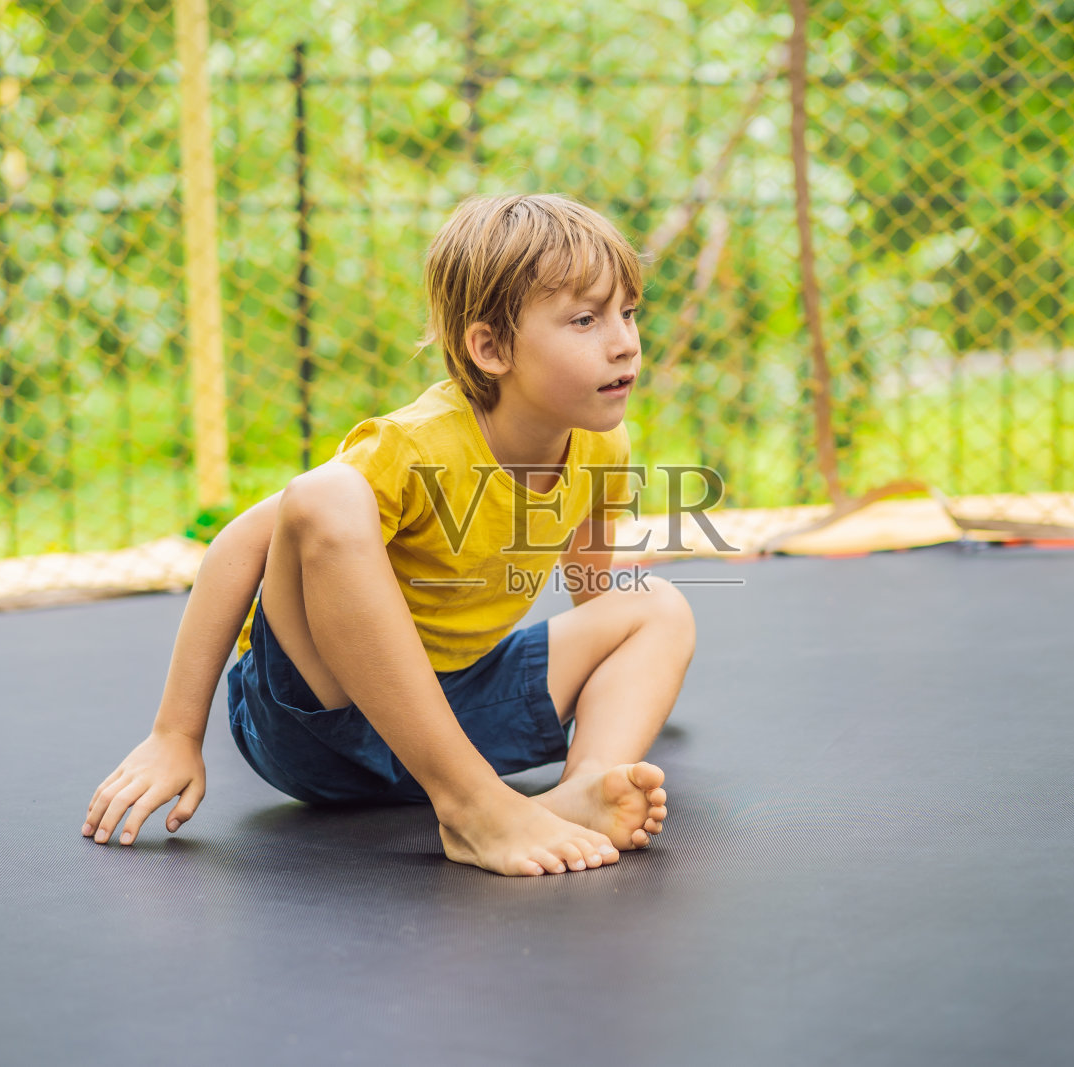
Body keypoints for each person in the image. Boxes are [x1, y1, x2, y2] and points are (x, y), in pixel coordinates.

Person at [81, 194, 696, 877]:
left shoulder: (602, 444)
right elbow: (237, 544)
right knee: (322, 495)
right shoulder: (414, 445)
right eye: (586, 319)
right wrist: (175, 733)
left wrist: (619, 684)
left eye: (628, 312)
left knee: (659, 606)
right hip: (318, 722)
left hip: (457, 714)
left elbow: (593, 586)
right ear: (491, 348)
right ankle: (471, 807)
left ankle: (583, 787)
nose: (624, 341)